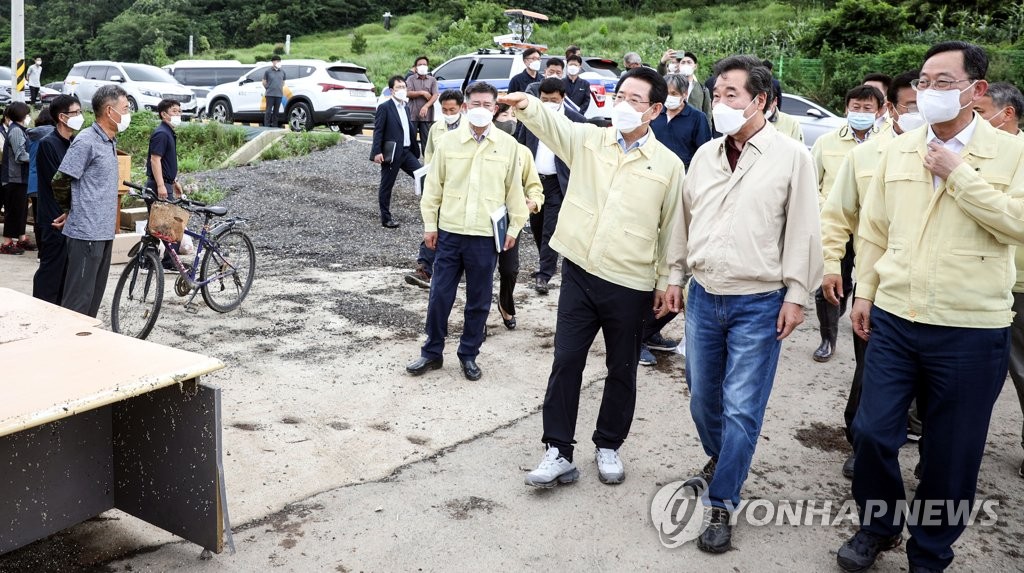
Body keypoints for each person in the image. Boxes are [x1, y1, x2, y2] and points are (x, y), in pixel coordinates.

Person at [839, 41, 1024, 573]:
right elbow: (873, 229)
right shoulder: (899, 148)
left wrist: (959, 173)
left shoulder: (1010, 153)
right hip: (897, 316)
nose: (929, 92)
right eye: (924, 82)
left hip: (971, 327)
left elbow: (1017, 223)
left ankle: (930, 551)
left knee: (951, 454)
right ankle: (877, 525)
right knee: (873, 433)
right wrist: (865, 293)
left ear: (976, 90)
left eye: (943, 82)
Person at [663, 55, 822, 553]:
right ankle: (723, 457)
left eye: (732, 93)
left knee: (740, 408)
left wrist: (797, 294)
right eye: (717, 93)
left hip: (759, 301)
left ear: (762, 101)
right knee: (701, 397)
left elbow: (803, 230)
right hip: (704, 296)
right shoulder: (705, 155)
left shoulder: (792, 156)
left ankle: (723, 500)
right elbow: (683, 223)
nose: (721, 102)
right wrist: (674, 275)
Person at [500, 67, 684, 489]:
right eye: (620, 95)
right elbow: (555, 125)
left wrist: (667, 280)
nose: (624, 104)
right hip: (580, 272)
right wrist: (527, 105)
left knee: (622, 368)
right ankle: (558, 451)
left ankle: (608, 444)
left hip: (631, 282)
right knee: (566, 361)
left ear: (655, 109)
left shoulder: (669, 165)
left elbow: (674, 228)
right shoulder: (591, 140)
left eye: (635, 99)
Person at [820, 70, 921, 480]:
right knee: (873, 371)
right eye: (913, 104)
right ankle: (861, 443)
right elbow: (837, 215)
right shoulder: (866, 155)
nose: (923, 111)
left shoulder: (968, 155)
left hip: (946, 295)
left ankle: (924, 447)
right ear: (893, 109)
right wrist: (831, 265)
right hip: (877, 285)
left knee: (932, 388)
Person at [405, 82, 527, 381]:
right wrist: (430, 225)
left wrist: (515, 227)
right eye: (476, 104)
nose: (482, 110)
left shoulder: (508, 146)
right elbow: (433, 188)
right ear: (464, 107)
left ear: (496, 108)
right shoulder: (447, 143)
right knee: (439, 296)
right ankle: (431, 352)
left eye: (488, 105)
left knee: (479, 300)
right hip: (449, 233)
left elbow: (514, 191)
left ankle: (469, 354)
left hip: (485, 237)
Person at [809, 84, 884, 362]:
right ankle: (827, 338)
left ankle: (862, 328)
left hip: (870, 228)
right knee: (828, 281)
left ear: (880, 111)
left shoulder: (887, 145)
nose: (861, 113)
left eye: (867, 108)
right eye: (856, 107)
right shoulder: (826, 143)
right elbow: (811, 183)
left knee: (862, 282)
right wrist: (824, 208)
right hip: (834, 225)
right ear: (846, 109)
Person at [642, 72, 712, 367]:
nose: (669, 97)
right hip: (648, 187)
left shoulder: (696, 119)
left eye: (674, 92)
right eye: (665, 92)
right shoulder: (653, 116)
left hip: (682, 193)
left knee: (674, 266)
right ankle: (638, 335)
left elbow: (704, 156)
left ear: (685, 95)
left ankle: (648, 331)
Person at [974, 81, 1024, 479]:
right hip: (981, 285)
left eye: (983, 108)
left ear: (1006, 113)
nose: (975, 115)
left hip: (1018, 285)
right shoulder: (967, 150)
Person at [58, 84, 130, 318]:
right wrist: (70, 210)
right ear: (110, 111)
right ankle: (68, 347)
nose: (128, 113)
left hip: (103, 231)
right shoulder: (86, 141)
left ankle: (84, 345)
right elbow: (61, 179)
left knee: (94, 296)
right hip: (86, 233)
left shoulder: (109, 141)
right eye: (126, 108)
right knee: (78, 299)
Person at [514, 77, 586, 295]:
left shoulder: (575, 120)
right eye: (544, 99)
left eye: (553, 99)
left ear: (563, 98)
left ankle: (544, 274)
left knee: (550, 228)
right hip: (534, 181)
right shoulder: (532, 118)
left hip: (558, 182)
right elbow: (520, 144)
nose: (548, 103)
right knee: (536, 225)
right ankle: (546, 262)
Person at [405, 89, 464, 289]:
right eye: (445, 110)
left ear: (462, 108)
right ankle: (424, 268)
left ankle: (452, 267)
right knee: (434, 225)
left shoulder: (471, 127)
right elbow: (429, 155)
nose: (448, 113)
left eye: (452, 109)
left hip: (464, 188)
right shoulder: (436, 128)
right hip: (441, 186)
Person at [493, 103, 543, 330]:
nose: (510, 120)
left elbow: (534, 185)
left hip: (510, 221)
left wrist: (533, 201)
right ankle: (478, 316)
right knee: (480, 270)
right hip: (481, 220)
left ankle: (505, 303)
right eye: (505, 115)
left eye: (514, 116)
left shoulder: (523, 152)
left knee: (510, 268)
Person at [32, 95, 81, 305]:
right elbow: (58, 183)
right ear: (62, 117)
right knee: (51, 270)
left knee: (66, 272)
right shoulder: (48, 144)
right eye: (75, 113)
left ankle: (59, 312)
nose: (80, 117)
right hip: (54, 217)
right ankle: (41, 309)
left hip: (69, 216)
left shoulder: (73, 143)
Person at [371, 75, 421, 229]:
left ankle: (431, 214)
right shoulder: (385, 107)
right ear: (392, 90)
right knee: (387, 185)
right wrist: (376, 152)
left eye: (404, 87)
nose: (402, 90)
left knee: (423, 177)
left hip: (407, 153)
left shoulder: (405, 107)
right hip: (392, 154)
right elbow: (378, 131)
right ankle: (386, 218)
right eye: (398, 87)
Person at [1, 103, 35, 255]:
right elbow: (20, 155)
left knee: (21, 211)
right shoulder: (15, 131)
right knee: (13, 211)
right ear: (22, 115)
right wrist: (36, 158)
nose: (29, 116)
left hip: (20, 178)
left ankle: (21, 238)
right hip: (14, 178)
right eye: (27, 114)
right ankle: (7, 243)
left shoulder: (20, 130)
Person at [26, 107, 56, 253]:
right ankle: (48, 250)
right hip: (47, 180)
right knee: (51, 216)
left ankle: (41, 251)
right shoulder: (54, 134)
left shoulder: (30, 135)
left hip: (32, 181)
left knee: (38, 218)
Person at [147, 99, 184, 201]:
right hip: (158, 185)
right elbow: (155, 160)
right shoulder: (162, 134)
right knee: (162, 217)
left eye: (179, 111)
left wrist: (174, 181)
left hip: (166, 184)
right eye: (174, 111)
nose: (178, 114)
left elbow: (166, 162)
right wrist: (160, 186)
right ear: (163, 114)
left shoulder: (168, 132)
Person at [406, 56, 438, 155]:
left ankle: (427, 164)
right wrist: (422, 92)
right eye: (420, 65)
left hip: (427, 115)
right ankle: (412, 163)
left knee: (427, 141)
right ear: (415, 67)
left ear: (428, 66)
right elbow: (407, 93)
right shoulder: (410, 79)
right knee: (411, 139)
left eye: (424, 64)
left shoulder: (432, 80)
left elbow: (435, 95)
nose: (422, 66)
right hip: (413, 114)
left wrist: (426, 106)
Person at [262, 56, 286, 127]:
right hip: (270, 94)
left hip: (279, 95)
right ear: (273, 62)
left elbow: (283, 82)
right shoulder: (268, 71)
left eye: (279, 61)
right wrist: (268, 88)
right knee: (268, 111)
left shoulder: (282, 71)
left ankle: (275, 125)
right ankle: (266, 125)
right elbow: (264, 82)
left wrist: (279, 87)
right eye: (276, 61)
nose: (278, 62)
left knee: (276, 111)